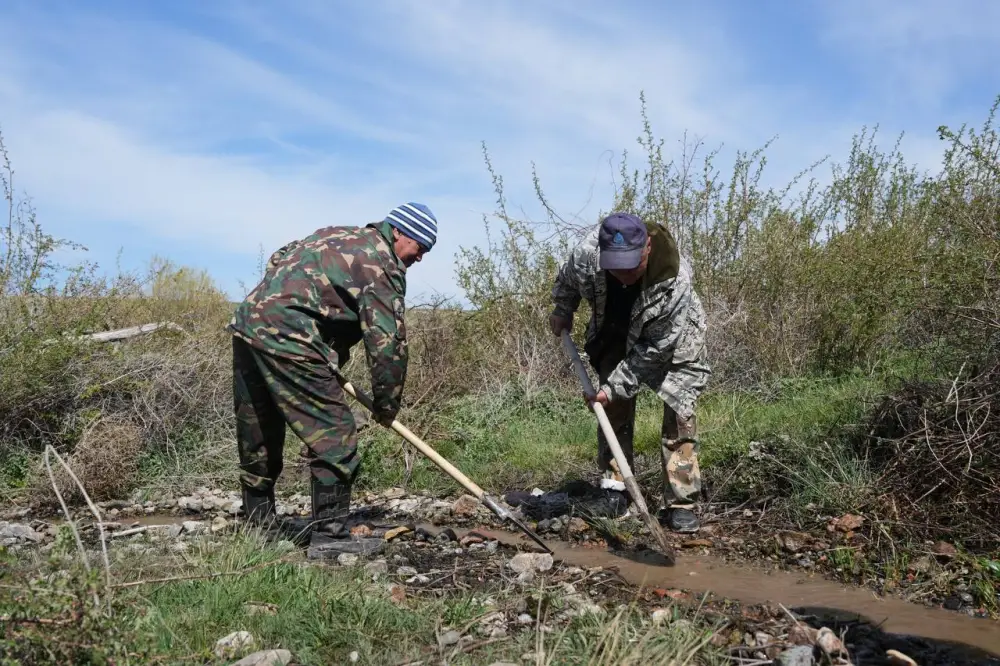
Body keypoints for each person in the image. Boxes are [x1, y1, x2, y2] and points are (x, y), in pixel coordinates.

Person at [227, 202, 437, 541]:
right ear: (398, 232)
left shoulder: (336, 234)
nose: (421, 257)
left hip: (249, 325)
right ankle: (329, 535)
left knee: (258, 427)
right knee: (335, 433)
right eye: (420, 247)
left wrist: (322, 338)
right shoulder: (383, 265)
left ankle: (258, 525)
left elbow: (280, 257)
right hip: (290, 339)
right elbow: (387, 347)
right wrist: (386, 405)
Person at [549, 212, 711, 532]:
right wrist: (563, 308)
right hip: (616, 331)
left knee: (680, 415)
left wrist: (613, 386)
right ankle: (616, 491)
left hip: (673, 342)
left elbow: (656, 349)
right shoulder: (586, 255)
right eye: (615, 265)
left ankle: (681, 500)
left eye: (631, 266)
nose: (623, 275)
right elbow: (567, 279)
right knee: (613, 411)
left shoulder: (674, 279)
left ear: (647, 248)